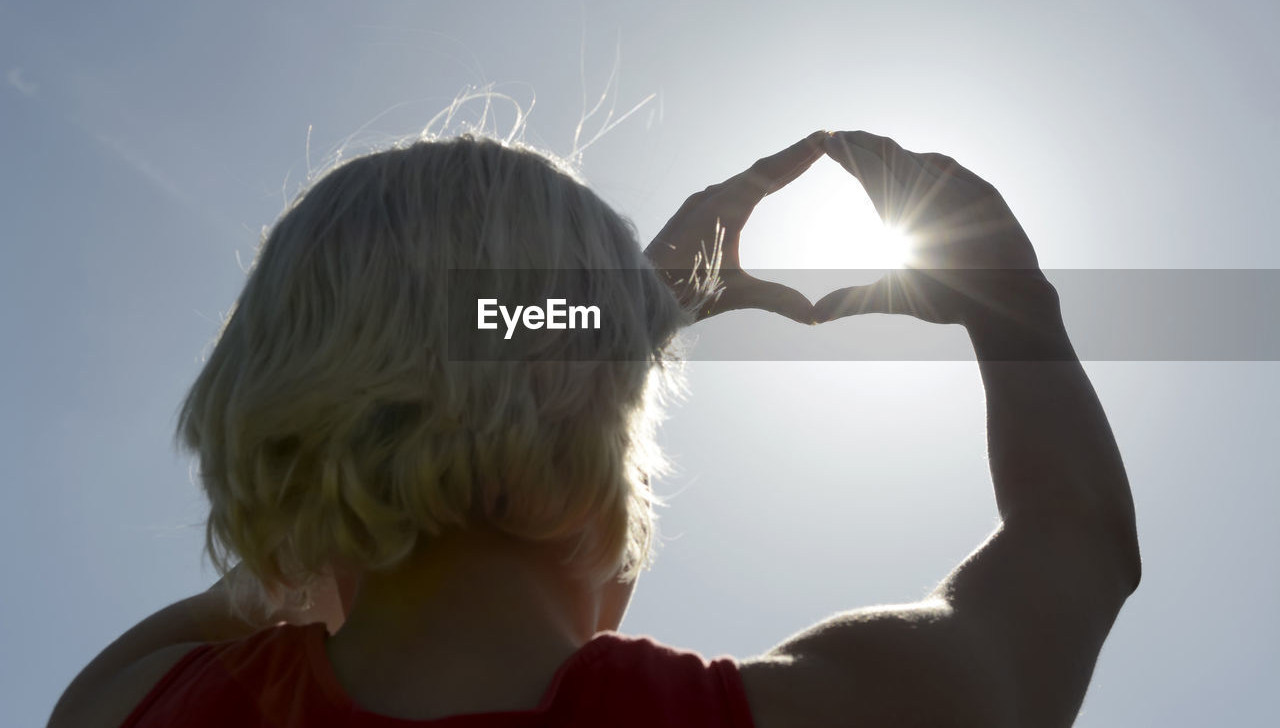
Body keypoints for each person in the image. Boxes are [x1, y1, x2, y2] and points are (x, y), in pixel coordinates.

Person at [49, 129, 1140, 727]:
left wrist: (617, 320)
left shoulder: (138, 703)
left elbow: (277, 571)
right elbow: (1076, 542)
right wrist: (1013, 297)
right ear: (597, 421)